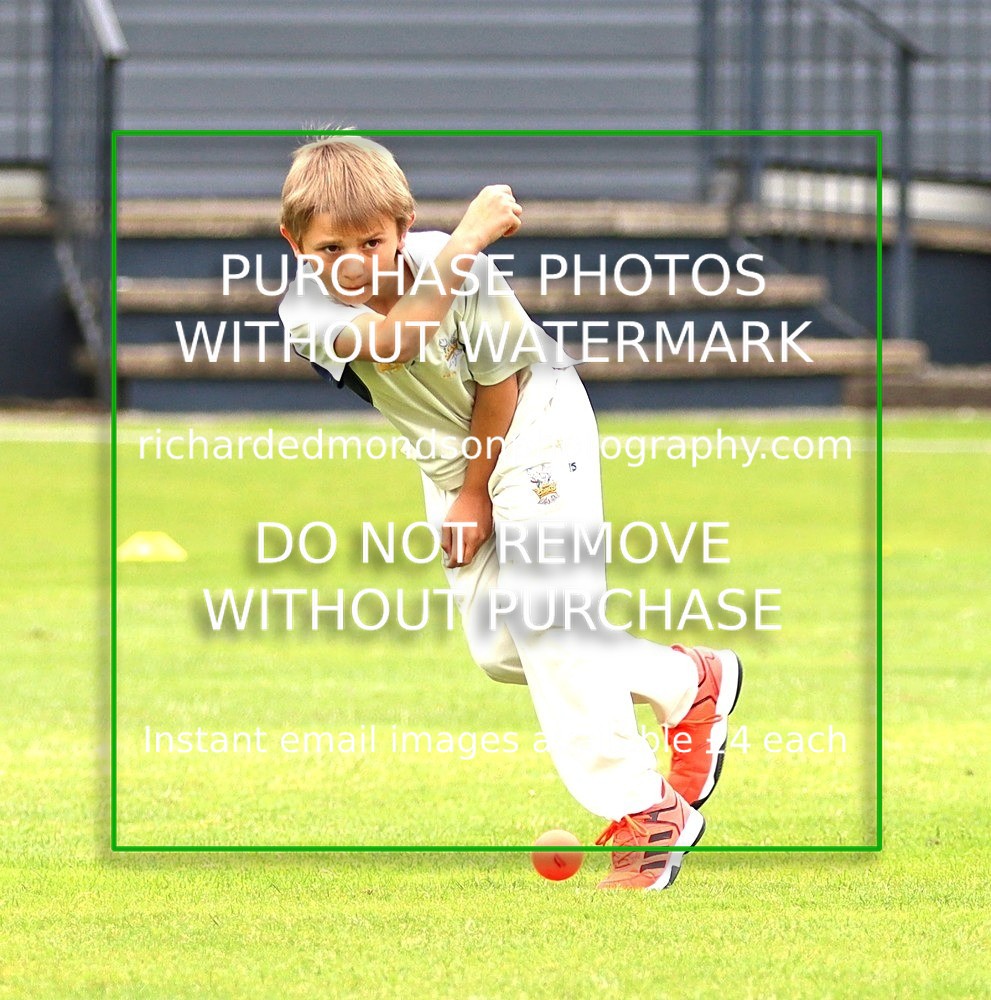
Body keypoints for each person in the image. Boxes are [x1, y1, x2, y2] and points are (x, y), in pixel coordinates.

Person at [277, 135, 742, 890]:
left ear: (403, 225)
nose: (356, 262)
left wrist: (475, 491)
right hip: (452, 459)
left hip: (536, 422)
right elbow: (395, 344)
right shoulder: (304, 304)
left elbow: (502, 384)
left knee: (549, 620)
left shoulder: (466, 272)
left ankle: (647, 813)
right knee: (500, 650)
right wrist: (463, 489)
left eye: (373, 240)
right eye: (332, 247)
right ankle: (686, 682)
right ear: (295, 244)